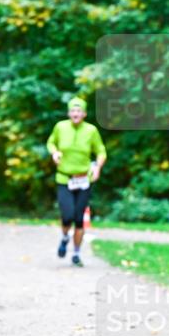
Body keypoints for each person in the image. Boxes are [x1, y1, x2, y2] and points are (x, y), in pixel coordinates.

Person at [46, 97, 106, 267]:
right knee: (67, 216)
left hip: (83, 179)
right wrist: (54, 152)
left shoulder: (91, 131)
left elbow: (101, 151)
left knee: (79, 218)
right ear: (68, 113)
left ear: (84, 114)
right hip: (64, 178)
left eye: (79, 111)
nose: (76, 113)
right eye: (73, 110)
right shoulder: (60, 127)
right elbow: (51, 142)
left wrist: (97, 167)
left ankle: (77, 254)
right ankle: (65, 238)